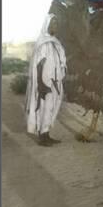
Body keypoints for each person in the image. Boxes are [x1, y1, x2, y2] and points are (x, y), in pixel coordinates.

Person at [25, 14, 67, 146]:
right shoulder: (43, 43)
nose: (55, 26)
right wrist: (41, 84)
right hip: (44, 82)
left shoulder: (55, 43)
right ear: (47, 24)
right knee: (44, 108)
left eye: (56, 23)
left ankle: (46, 133)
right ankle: (42, 137)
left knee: (51, 108)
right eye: (53, 23)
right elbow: (39, 65)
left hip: (55, 83)